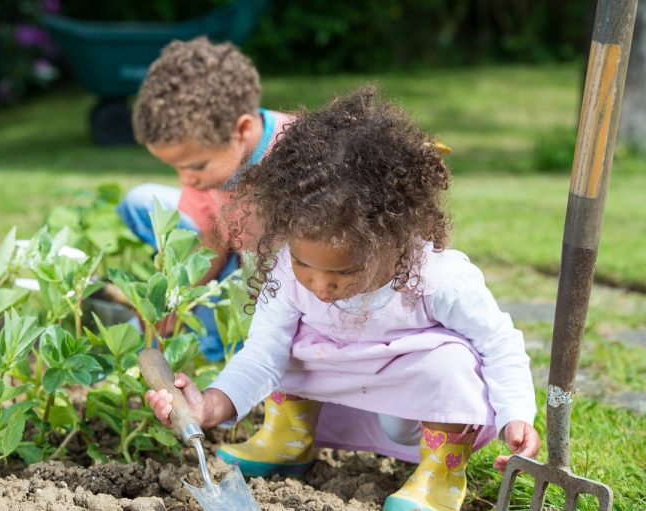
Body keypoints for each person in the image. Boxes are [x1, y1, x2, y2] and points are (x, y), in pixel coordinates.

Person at [145, 87, 540, 511]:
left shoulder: (438, 277)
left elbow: (498, 343)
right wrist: (210, 405)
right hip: (339, 379)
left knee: (453, 362)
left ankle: (440, 474)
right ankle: (289, 438)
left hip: (414, 398)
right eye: (303, 263)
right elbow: (261, 356)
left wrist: (516, 415)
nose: (319, 285)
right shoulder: (286, 268)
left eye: (344, 272)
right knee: (288, 343)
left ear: (396, 239)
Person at [116, 37, 294, 362]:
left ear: (240, 129)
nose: (187, 180)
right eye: (177, 168)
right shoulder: (214, 165)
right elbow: (212, 241)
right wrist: (176, 299)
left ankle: (223, 362)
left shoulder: (298, 155)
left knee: (233, 320)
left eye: (195, 166)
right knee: (143, 203)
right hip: (243, 258)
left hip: (293, 282)